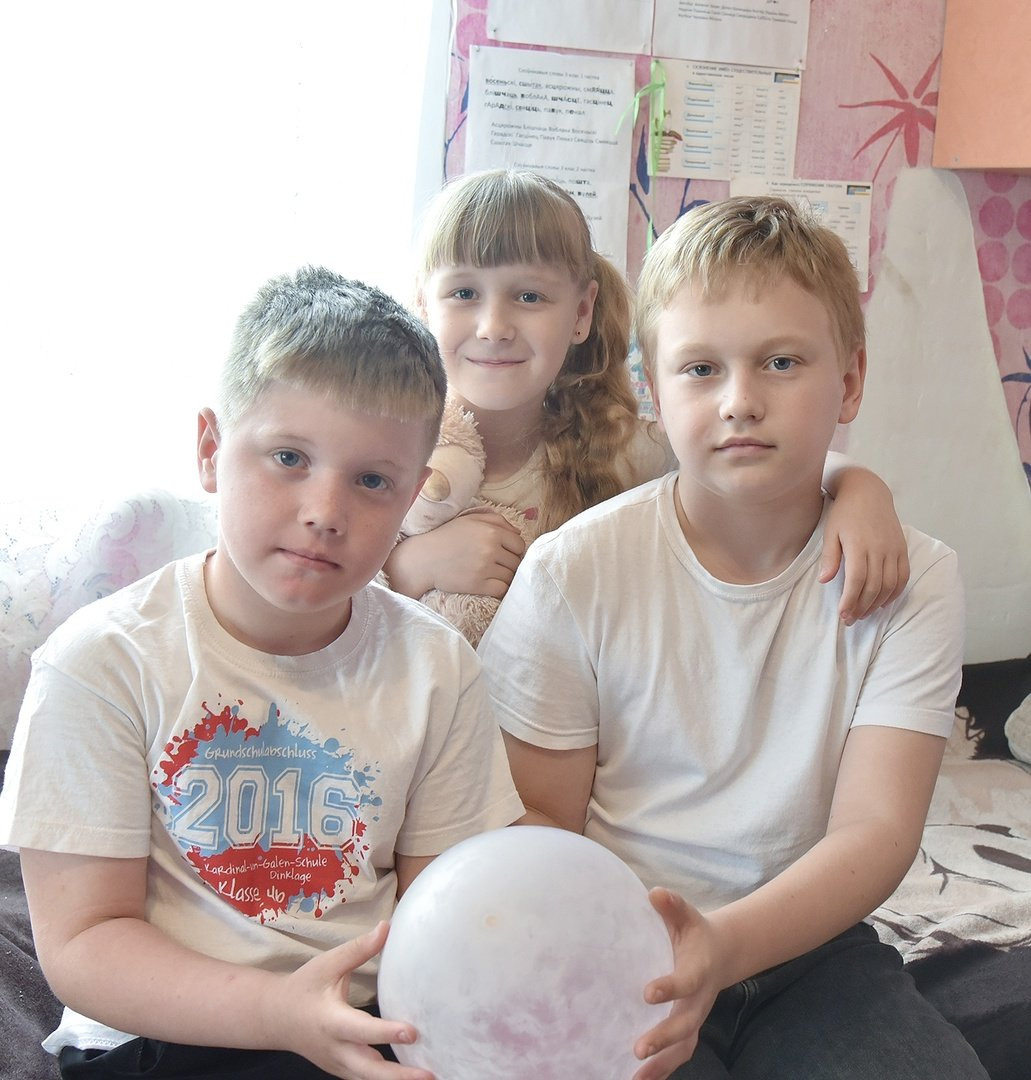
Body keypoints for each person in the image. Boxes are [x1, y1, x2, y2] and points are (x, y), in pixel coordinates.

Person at [478, 196, 987, 1080]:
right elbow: (542, 826)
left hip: (811, 945)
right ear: (653, 387)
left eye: (781, 363)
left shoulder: (916, 578)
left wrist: (723, 945)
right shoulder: (573, 571)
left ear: (850, 381)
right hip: (623, 945)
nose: (740, 401)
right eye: (700, 368)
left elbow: (874, 829)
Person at [0, 268, 524, 1080]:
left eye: (372, 481)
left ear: (414, 496)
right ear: (211, 451)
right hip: (156, 1038)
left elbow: (441, 918)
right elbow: (83, 944)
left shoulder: (436, 666)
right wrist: (280, 1013)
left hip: (368, 1028)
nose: (325, 511)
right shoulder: (101, 662)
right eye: (288, 457)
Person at [385, 168, 910, 629]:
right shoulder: (384, 443)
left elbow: (748, 452)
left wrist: (861, 490)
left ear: (582, 313)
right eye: (463, 293)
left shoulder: (616, 447)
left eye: (529, 296)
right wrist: (408, 568)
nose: (494, 327)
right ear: (423, 306)